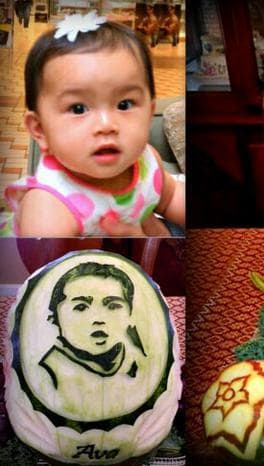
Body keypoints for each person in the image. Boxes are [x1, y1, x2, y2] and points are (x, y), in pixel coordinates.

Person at [4, 11, 185, 236]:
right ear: (40, 130)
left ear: (149, 113)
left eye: (124, 104)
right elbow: (55, 269)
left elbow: (170, 198)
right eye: (78, 109)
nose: (107, 124)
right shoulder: (49, 207)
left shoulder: (148, 162)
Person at [38, 262, 148, 418]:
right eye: (81, 307)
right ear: (54, 319)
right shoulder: (48, 373)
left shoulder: (141, 363)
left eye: (112, 306)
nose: (98, 319)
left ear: (131, 316)